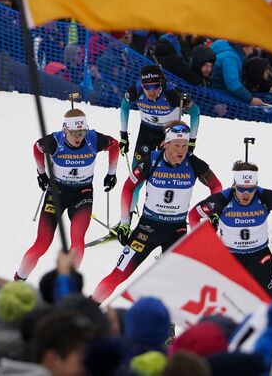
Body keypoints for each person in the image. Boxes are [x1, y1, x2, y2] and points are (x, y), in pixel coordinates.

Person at [92, 120, 222, 304]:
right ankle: (88, 309)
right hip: (147, 228)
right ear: (165, 144)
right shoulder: (151, 161)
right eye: (176, 145)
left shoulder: (194, 164)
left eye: (185, 145)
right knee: (119, 274)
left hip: (176, 232)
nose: (181, 151)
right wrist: (124, 222)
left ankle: (168, 331)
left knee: (174, 282)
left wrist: (214, 212)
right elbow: (129, 188)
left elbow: (216, 186)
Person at [14, 108, 119, 281]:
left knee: (77, 241)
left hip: (83, 193)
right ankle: (18, 281)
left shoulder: (93, 139)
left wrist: (112, 173)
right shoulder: (55, 141)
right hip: (57, 192)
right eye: (74, 133)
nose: (79, 137)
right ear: (65, 130)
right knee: (42, 244)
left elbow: (114, 144)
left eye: (82, 132)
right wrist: (41, 173)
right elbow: (37, 147)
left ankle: (69, 285)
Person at [190, 160, 272, 298]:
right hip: (231, 259)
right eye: (241, 189)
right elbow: (193, 215)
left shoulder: (267, 197)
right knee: (228, 306)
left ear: (256, 185)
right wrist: (203, 244)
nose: (246, 194)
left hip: (260, 257)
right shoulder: (221, 200)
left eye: (251, 189)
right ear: (234, 185)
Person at [118, 64, 200, 223]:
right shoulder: (136, 90)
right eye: (147, 87)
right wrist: (123, 135)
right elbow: (124, 105)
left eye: (155, 86)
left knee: (162, 179)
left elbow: (195, 113)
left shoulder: (173, 94)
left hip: (168, 137)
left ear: (161, 84)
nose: (151, 91)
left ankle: (161, 218)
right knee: (136, 178)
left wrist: (191, 141)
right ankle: (125, 221)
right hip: (146, 134)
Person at [210, 40, 267, 105]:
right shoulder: (231, 58)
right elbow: (232, 84)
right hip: (219, 97)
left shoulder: (221, 44)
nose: (252, 52)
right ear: (245, 47)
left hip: (213, 92)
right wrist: (251, 99)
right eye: (251, 48)